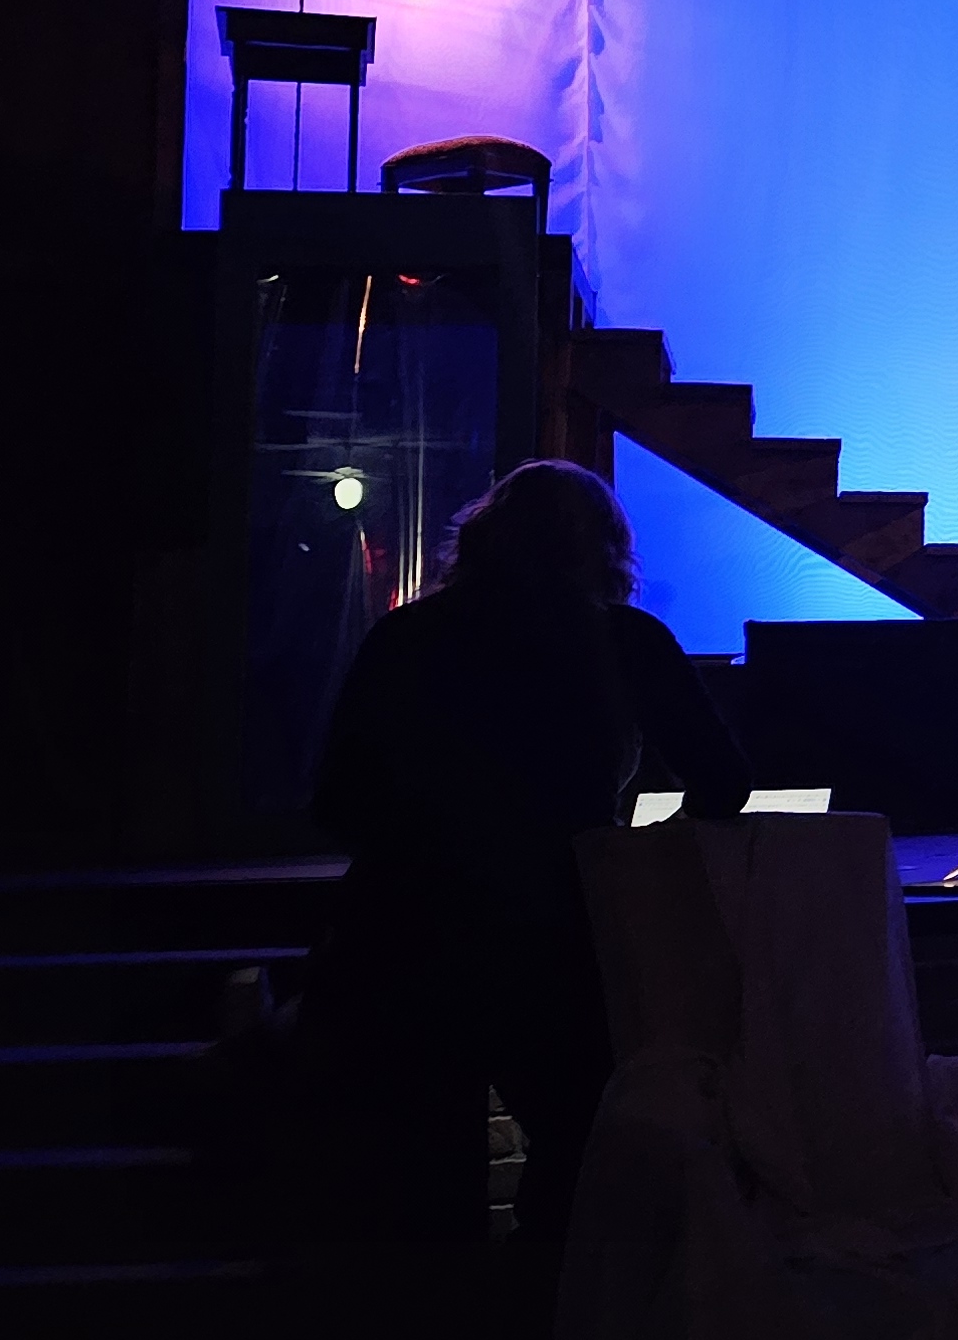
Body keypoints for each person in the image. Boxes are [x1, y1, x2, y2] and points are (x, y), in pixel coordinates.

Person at [299, 458, 750, 1252]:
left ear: (483, 537)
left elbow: (340, 802)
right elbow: (724, 784)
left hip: (407, 928)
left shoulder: (405, 636)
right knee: (579, 1146)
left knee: (423, 1178)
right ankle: (543, 1309)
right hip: (556, 930)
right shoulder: (624, 640)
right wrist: (635, 857)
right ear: (605, 548)